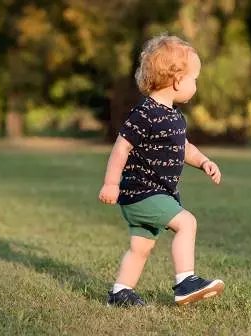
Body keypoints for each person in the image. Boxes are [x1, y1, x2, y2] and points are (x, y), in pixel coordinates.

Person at [98, 34, 224, 306]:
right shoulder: (145, 113)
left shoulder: (175, 116)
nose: (195, 85)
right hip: (143, 193)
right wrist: (111, 183)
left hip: (155, 194)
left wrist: (203, 161)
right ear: (178, 80)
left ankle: (120, 293)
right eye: (194, 79)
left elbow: (184, 147)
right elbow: (121, 147)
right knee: (186, 222)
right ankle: (185, 282)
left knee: (141, 247)